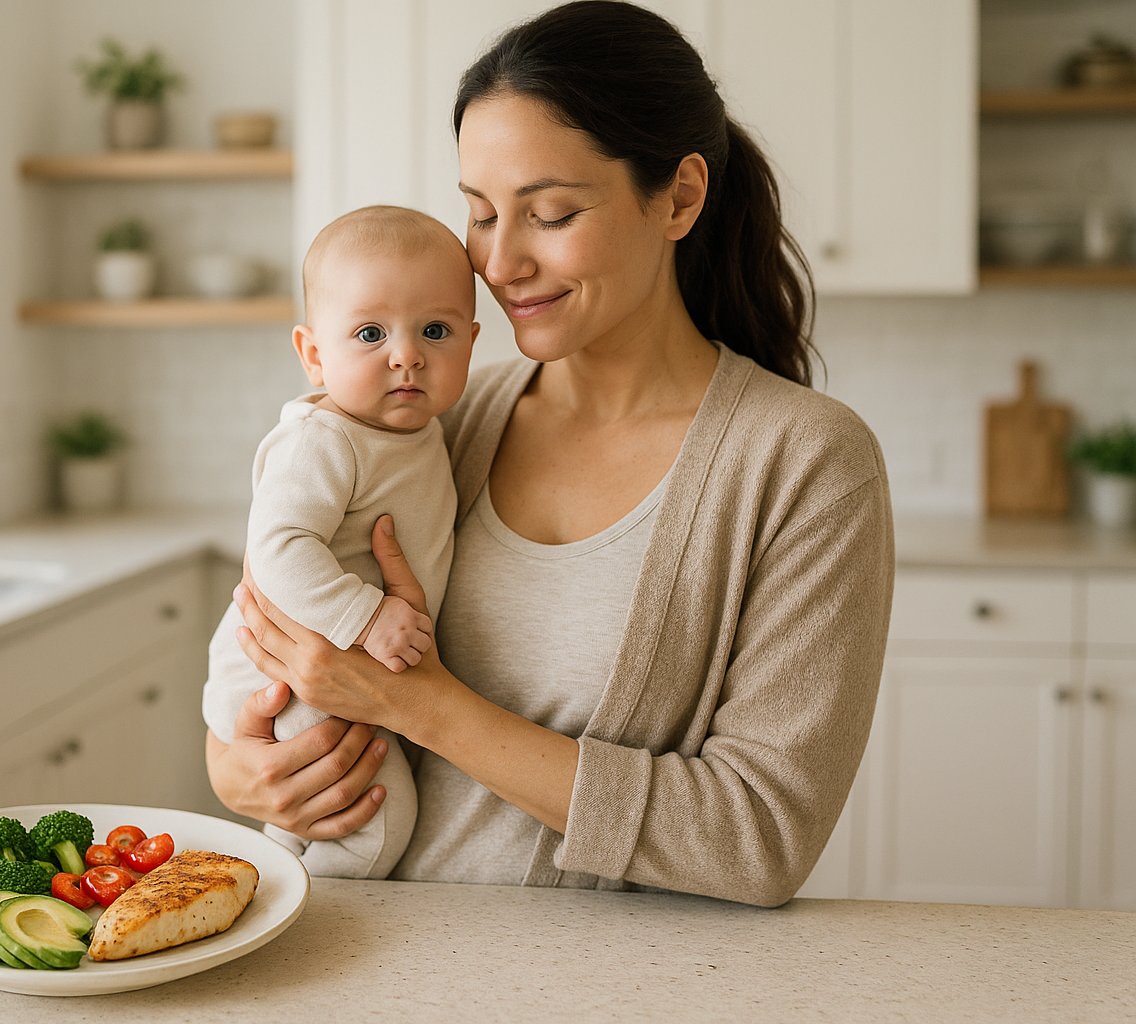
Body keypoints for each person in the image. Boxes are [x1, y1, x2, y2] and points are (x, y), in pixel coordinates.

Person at [206, 0, 894, 908]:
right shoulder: (445, 421)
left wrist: (419, 703)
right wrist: (240, 766)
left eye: (552, 213)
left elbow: (759, 839)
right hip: (367, 954)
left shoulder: (804, 464)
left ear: (679, 197)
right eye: (482, 215)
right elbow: (274, 629)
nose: (501, 262)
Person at [203, 205, 480, 879]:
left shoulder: (416, 431)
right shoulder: (326, 438)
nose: (407, 354)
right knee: (374, 826)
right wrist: (368, 616)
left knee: (307, 825)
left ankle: (272, 890)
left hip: (333, 678)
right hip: (288, 679)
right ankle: (310, 938)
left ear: (472, 341)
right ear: (314, 355)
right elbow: (279, 549)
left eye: (435, 330)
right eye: (370, 332)